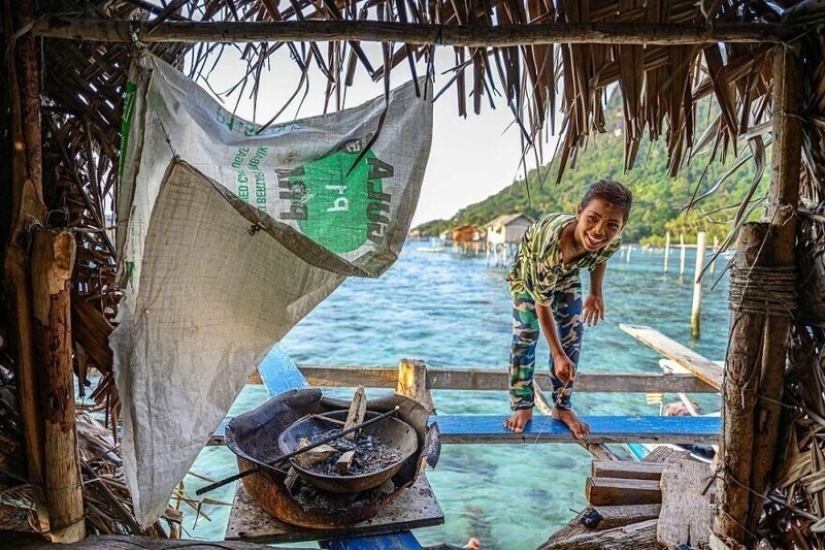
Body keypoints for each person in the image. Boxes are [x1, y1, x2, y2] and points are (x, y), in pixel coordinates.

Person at [503, 179, 632, 439]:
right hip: (531, 272)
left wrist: (596, 293)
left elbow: (601, 257)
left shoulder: (612, 239)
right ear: (579, 212)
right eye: (592, 219)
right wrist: (557, 353)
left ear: (622, 226)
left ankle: (562, 407)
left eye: (611, 225)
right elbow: (542, 305)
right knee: (526, 334)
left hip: (566, 274)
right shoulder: (548, 247)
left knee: (573, 333)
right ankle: (522, 405)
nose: (599, 231)